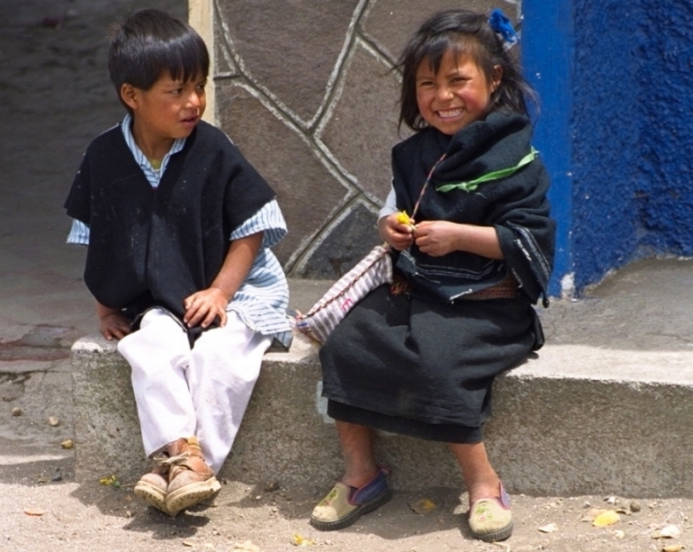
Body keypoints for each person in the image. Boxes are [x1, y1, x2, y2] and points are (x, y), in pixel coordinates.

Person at [309, 8, 555, 542]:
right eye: (428, 84)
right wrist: (389, 229)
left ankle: (485, 485)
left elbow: (529, 239)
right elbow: (393, 204)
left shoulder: (516, 157)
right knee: (344, 344)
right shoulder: (417, 154)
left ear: (492, 79)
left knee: (439, 363)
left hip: (488, 303)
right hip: (417, 291)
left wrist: (458, 236)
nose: (442, 96)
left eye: (457, 81)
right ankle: (361, 476)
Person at [64, 9, 291, 517]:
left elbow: (253, 226)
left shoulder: (213, 149)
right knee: (150, 347)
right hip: (162, 297)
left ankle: (184, 463)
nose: (194, 103)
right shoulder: (104, 158)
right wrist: (106, 309)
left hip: (237, 289)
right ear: (132, 96)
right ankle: (183, 458)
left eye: (200, 86)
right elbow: (97, 238)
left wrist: (221, 293)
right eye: (177, 91)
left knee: (219, 356)